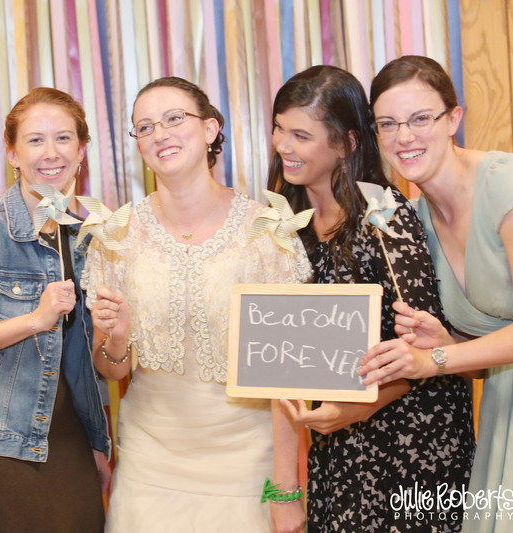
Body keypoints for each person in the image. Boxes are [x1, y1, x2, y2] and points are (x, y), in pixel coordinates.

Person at [85, 76, 311, 533]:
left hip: (247, 460)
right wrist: (119, 336)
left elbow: (289, 377)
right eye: (144, 127)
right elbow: (111, 369)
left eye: (173, 119)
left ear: (210, 129)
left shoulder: (267, 233)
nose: (159, 134)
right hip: (149, 462)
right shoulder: (115, 236)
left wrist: (284, 490)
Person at [268, 65, 474, 532]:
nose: (283, 145)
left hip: (414, 445)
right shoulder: (284, 229)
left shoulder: (384, 218)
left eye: (301, 134)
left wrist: (355, 409)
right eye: (279, 128)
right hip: (337, 447)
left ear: (347, 143)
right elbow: (279, 364)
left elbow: (427, 350)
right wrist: (283, 489)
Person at [360, 55, 513, 532]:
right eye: (388, 124)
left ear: (454, 118)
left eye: (421, 119)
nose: (405, 137)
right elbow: (483, 362)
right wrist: (446, 343)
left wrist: (431, 362)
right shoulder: (414, 223)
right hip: (507, 408)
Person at [0, 87, 111, 532]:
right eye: (34, 140)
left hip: (71, 437)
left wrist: (98, 438)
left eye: (64, 138)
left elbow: (86, 357)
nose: (51, 153)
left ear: (82, 150)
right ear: (12, 153)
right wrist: (34, 320)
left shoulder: (92, 235)